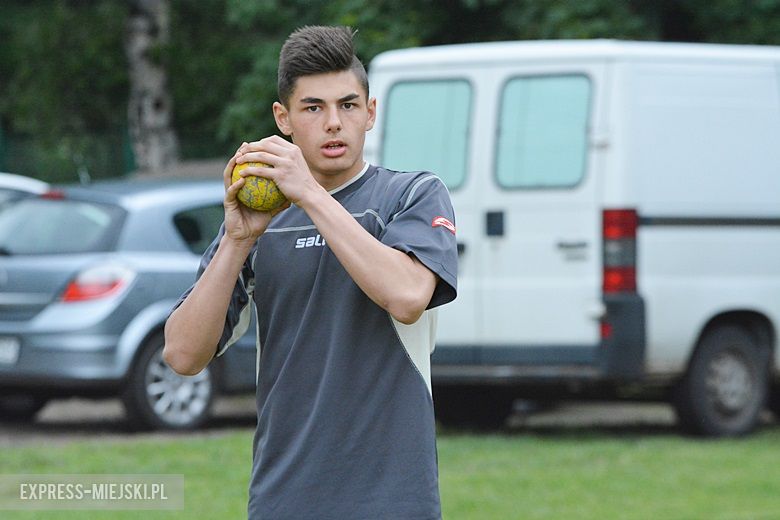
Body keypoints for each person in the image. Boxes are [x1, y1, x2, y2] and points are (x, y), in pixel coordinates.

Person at [163, 25, 457, 519]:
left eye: (347, 105)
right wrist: (237, 240)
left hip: (392, 501)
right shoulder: (258, 225)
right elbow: (183, 354)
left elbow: (407, 296)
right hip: (284, 498)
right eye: (313, 108)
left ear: (370, 113)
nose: (334, 123)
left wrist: (311, 194)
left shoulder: (413, 195)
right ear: (284, 119)